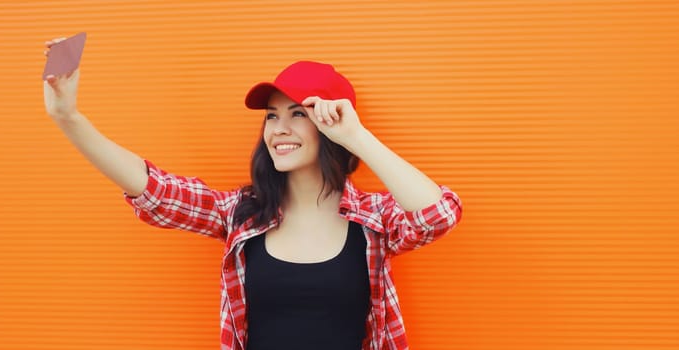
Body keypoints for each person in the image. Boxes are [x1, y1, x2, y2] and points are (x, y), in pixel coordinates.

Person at [43, 37, 463, 350]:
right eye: (272, 116)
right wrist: (69, 117)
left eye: (299, 114)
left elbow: (439, 213)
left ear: (330, 124)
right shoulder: (241, 215)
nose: (279, 128)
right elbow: (156, 191)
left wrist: (355, 136)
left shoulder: (374, 221)